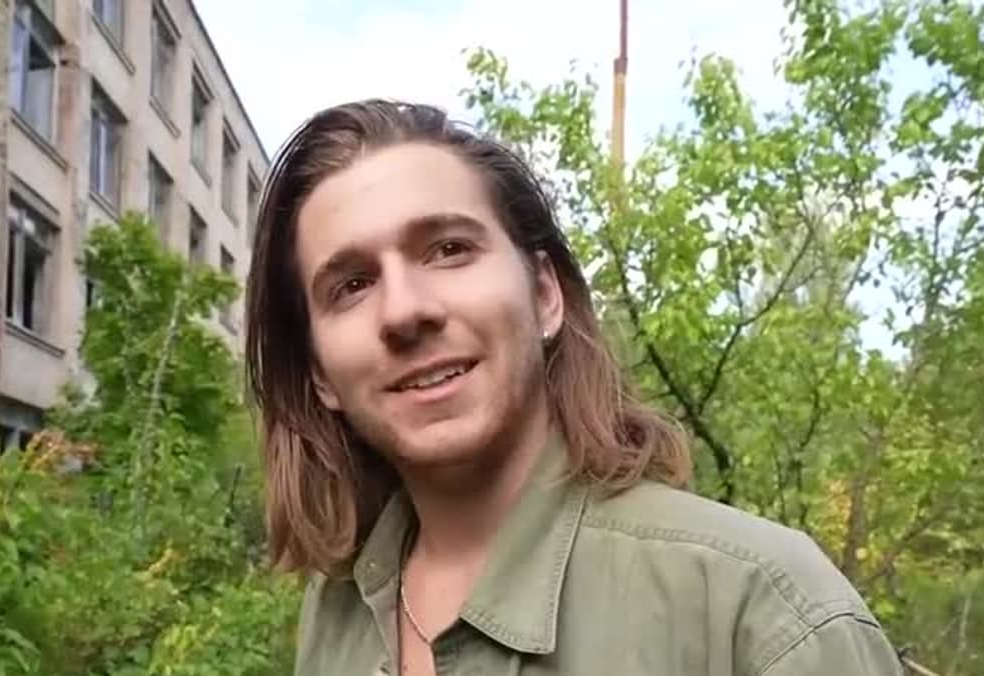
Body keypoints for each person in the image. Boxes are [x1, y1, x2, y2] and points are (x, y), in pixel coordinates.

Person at [242, 99, 902, 676]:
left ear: (544, 293)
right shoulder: (338, 611)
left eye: (448, 249)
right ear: (320, 374)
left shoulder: (762, 615)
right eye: (351, 285)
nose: (405, 310)